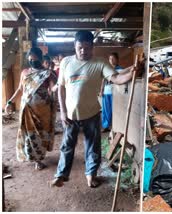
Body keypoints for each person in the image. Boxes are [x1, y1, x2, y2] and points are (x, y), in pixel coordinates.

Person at [50, 30, 136, 188]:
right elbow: (61, 88)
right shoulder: (66, 62)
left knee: (93, 146)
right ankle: (61, 174)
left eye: (87, 48)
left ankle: (91, 175)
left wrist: (130, 75)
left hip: (92, 114)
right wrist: (62, 111)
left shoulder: (100, 63)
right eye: (80, 48)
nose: (83, 51)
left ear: (92, 47)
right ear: (74, 46)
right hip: (70, 115)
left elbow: (116, 78)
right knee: (67, 146)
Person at [5, 47, 57, 170]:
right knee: (30, 134)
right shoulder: (25, 73)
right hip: (27, 109)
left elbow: (53, 88)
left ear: (40, 58)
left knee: (41, 134)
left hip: (43, 111)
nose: (32, 59)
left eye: (34, 57)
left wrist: (61, 85)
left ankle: (39, 157)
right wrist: (9, 102)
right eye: (30, 58)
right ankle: (35, 160)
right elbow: (20, 89)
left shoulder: (48, 73)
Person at [99, 52, 123, 131]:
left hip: (116, 94)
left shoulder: (121, 69)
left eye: (113, 59)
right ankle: (106, 126)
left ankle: (115, 127)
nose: (111, 60)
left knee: (115, 110)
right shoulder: (106, 69)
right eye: (110, 59)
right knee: (106, 110)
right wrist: (101, 90)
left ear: (117, 60)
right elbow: (103, 80)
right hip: (106, 92)